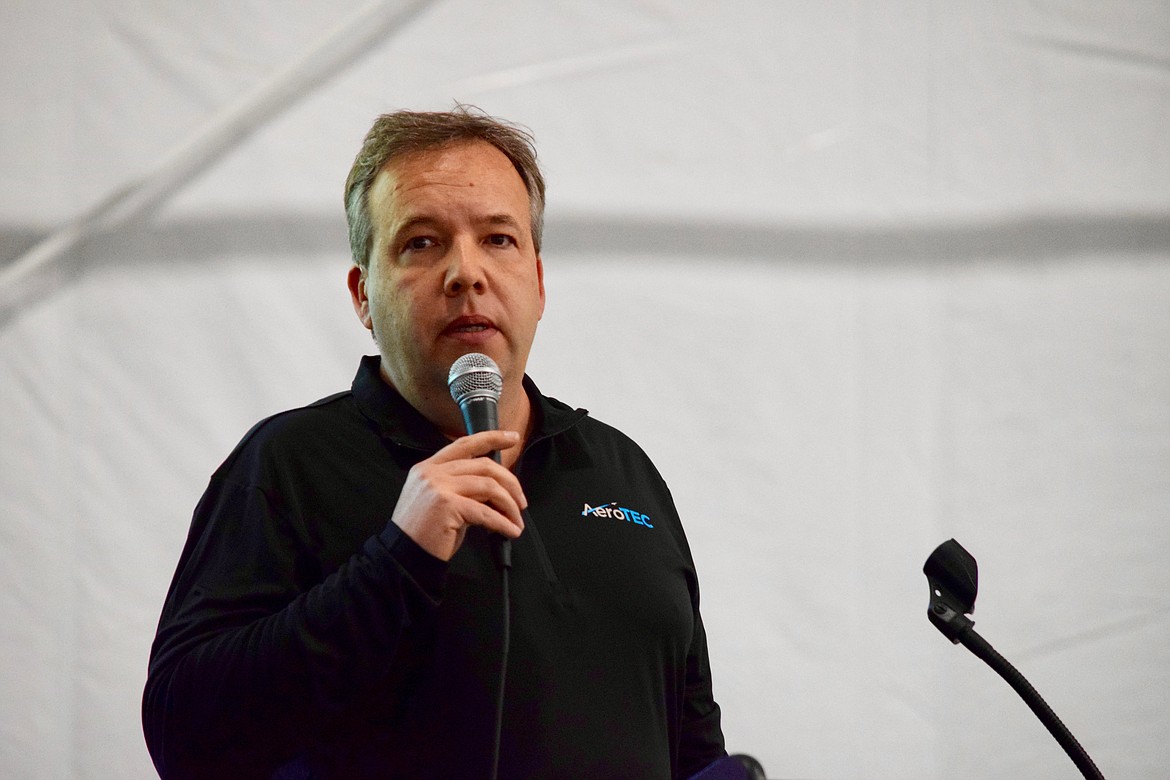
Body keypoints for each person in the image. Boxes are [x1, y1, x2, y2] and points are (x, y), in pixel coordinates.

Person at [143, 106, 726, 779]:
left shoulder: (621, 470)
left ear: (537, 280)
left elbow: (690, 742)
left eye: (499, 240)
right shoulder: (287, 466)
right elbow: (184, 739)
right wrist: (396, 562)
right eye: (421, 243)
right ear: (364, 295)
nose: (466, 273)